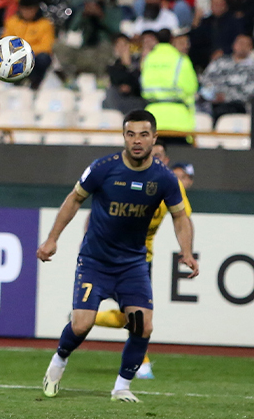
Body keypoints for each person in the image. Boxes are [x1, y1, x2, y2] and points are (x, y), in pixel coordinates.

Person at [38, 109, 197, 404]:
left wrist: (186, 251)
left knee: (142, 325)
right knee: (81, 324)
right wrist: (52, 238)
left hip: (133, 263)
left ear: (154, 138)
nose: (137, 141)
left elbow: (180, 217)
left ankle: (122, 387)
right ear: (124, 136)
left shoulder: (163, 178)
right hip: (95, 260)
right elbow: (74, 199)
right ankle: (58, 362)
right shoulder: (103, 168)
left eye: (143, 134)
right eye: (131, 134)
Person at [93, 140, 193, 381]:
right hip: (113, 255)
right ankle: (141, 362)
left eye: (159, 155)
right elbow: (98, 211)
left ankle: (86, 317)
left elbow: (183, 218)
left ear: (165, 160)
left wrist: (187, 251)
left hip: (141, 260)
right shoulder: (127, 178)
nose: (155, 158)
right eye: (152, 154)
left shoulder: (169, 185)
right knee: (137, 316)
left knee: (134, 316)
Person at [141, 29, 197, 145]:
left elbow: (143, 86)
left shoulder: (148, 59)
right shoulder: (181, 60)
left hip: (153, 117)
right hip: (178, 120)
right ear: (172, 40)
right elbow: (192, 87)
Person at [55, 0, 120, 81]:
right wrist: (82, 15)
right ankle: (70, 78)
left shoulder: (112, 10)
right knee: (59, 46)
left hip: (101, 50)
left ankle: (101, 78)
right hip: (83, 49)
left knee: (106, 47)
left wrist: (101, 17)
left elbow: (116, 31)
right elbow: (72, 29)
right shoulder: (82, 9)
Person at [199, 34, 254, 125]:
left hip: (238, 107)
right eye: (239, 43)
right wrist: (213, 96)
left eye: (245, 44)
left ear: (250, 47)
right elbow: (205, 81)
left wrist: (226, 97)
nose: (241, 46)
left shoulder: (251, 68)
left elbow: (250, 91)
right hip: (213, 104)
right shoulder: (220, 62)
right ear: (234, 45)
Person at [4, 0, 55, 90]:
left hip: (34, 56)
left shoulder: (45, 24)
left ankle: (35, 83)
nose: (27, 12)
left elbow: (47, 46)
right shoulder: (12, 22)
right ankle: (16, 82)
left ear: (36, 10)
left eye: (30, 9)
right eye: (24, 9)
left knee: (44, 58)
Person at [189, 0, 244, 71]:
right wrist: (195, 23)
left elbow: (239, 40)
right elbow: (195, 41)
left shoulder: (234, 22)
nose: (217, 7)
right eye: (215, 4)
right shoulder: (205, 22)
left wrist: (224, 51)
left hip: (228, 57)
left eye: (220, 4)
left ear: (225, 6)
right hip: (207, 59)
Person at [104, 33, 145, 114]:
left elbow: (139, 81)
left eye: (124, 45)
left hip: (136, 101)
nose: (122, 48)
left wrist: (129, 65)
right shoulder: (112, 66)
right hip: (118, 101)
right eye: (118, 45)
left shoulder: (137, 63)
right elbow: (116, 81)